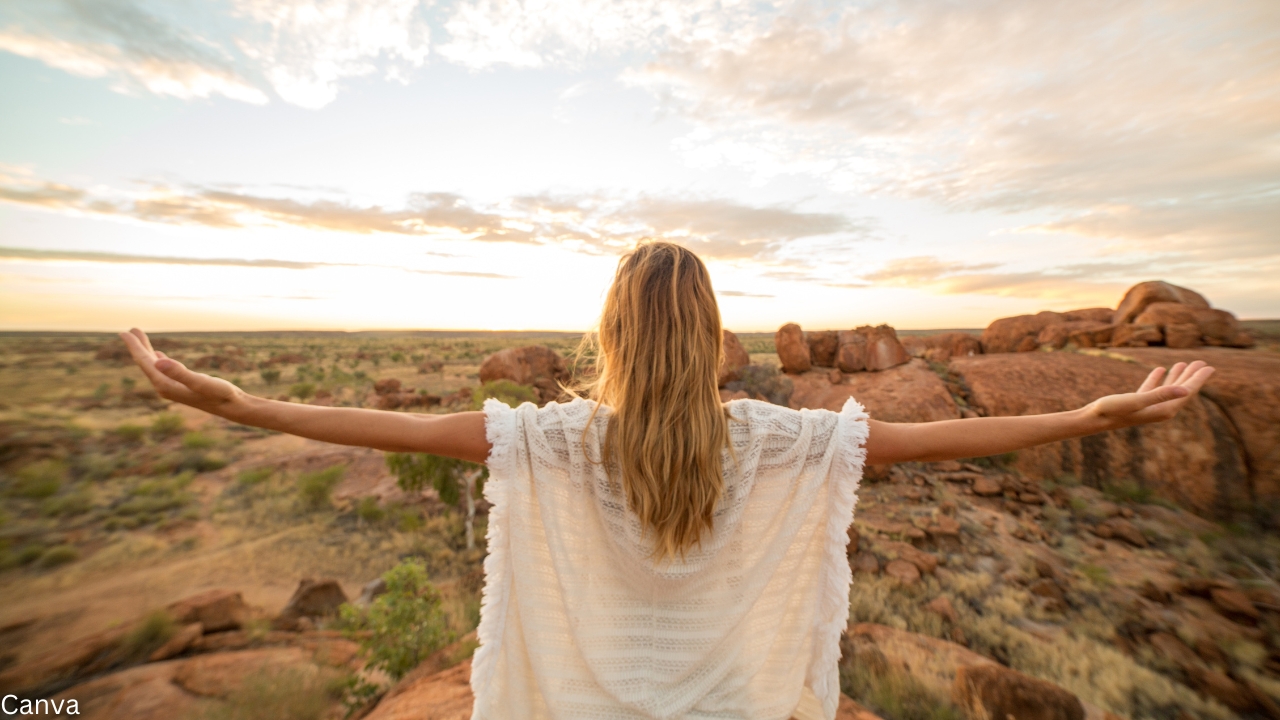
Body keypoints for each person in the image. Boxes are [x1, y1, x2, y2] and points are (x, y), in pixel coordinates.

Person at [120, 241, 1213, 720]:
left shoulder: (550, 441)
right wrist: (1087, 410)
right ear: (710, 335)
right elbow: (935, 445)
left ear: (610, 334)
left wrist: (241, 403)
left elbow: (396, 427)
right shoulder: (768, 440)